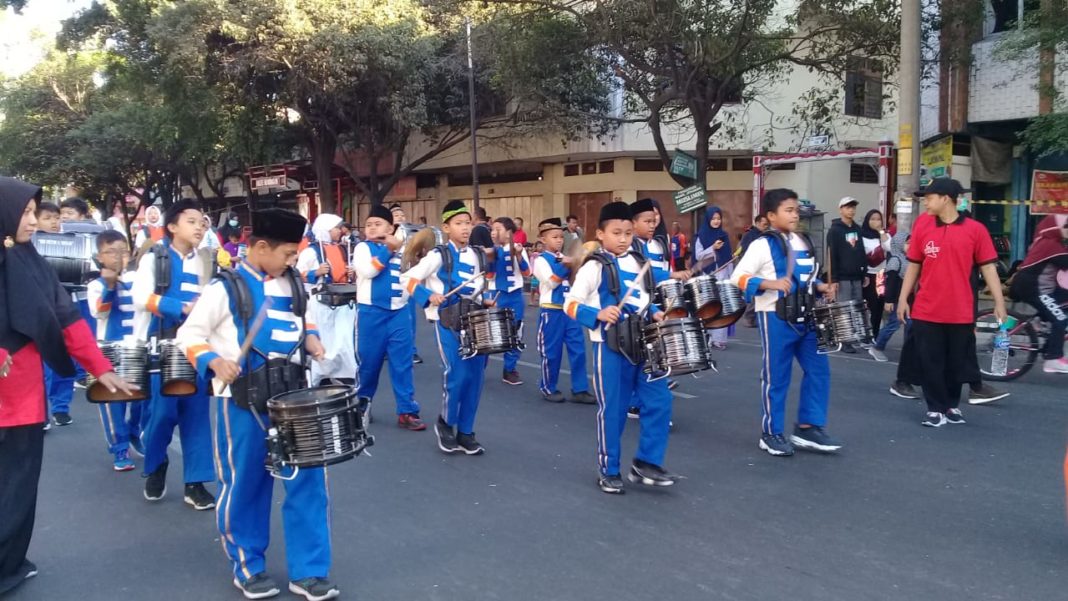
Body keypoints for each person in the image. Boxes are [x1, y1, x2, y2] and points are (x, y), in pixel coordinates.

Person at [176, 208, 339, 601]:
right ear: (261, 247)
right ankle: (247, 565)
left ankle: (310, 571)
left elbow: (306, 319)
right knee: (246, 483)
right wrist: (214, 360)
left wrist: (313, 339)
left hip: (295, 399)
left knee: (308, 483)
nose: (292, 260)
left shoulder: (295, 281)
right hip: (244, 401)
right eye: (286, 253)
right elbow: (190, 334)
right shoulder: (225, 288)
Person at [0, 176, 137, 596]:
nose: (33, 220)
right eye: (24, 212)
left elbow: (66, 318)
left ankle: (7, 564)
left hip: (21, 396)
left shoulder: (30, 260)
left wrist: (100, 367)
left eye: (32, 211)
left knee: (17, 484)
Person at [565, 201, 677, 494]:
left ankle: (647, 462)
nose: (624, 238)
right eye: (616, 232)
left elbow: (643, 299)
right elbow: (571, 303)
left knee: (660, 401)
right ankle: (609, 468)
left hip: (644, 342)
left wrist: (655, 311)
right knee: (613, 410)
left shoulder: (640, 262)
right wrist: (597, 315)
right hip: (611, 346)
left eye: (628, 232)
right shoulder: (595, 266)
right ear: (601, 234)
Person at [730, 188, 842, 457]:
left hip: (808, 316)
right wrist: (769, 283)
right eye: (788, 210)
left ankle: (808, 426)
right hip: (775, 317)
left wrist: (820, 286)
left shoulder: (803, 241)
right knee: (776, 377)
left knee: (819, 370)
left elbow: (805, 279)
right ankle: (771, 433)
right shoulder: (761, 244)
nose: (795, 215)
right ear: (771, 215)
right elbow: (738, 278)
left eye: (796, 210)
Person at [897, 178, 1007, 427]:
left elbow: (988, 267)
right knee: (930, 361)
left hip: (960, 310)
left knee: (956, 361)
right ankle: (934, 408)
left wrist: (999, 302)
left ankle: (951, 406)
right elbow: (914, 264)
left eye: (929, 196)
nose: (925, 201)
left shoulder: (975, 230)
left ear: (945, 198)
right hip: (927, 308)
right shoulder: (923, 225)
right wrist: (903, 298)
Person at [131, 199, 216, 509]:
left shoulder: (206, 261)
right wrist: (180, 308)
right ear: (172, 226)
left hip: (195, 350)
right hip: (160, 349)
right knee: (162, 414)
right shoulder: (155, 257)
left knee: (196, 417)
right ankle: (156, 465)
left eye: (202, 222)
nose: (199, 227)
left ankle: (195, 483)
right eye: (192, 221)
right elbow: (141, 297)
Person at [402, 200, 492, 455]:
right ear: (447, 227)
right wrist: (428, 296)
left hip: (475, 320)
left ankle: (466, 431)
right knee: (458, 374)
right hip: (448, 320)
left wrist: (485, 298)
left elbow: (479, 285)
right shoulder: (437, 255)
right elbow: (407, 278)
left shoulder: (477, 254)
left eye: (468, 223)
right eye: (459, 224)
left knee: (476, 378)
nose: (465, 228)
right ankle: (446, 422)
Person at [353, 205, 426, 431]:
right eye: (369, 224)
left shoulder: (405, 250)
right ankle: (362, 405)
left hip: (399, 313)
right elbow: (367, 272)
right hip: (370, 314)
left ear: (391, 227)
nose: (372, 228)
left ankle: (407, 410)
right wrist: (388, 250)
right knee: (369, 364)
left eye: (378, 224)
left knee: (402, 363)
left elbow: (411, 278)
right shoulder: (363, 248)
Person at [87, 229, 145, 470]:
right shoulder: (95, 285)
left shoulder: (139, 280)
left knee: (142, 398)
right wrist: (110, 287)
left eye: (122, 251)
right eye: (110, 252)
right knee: (113, 402)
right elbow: (100, 312)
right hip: (109, 351)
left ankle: (134, 431)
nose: (117, 257)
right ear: (99, 257)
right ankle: (119, 447)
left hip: (137, 347)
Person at [533, 218, 594, 404]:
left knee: (578, 350)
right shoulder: (540, 260)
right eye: (554, 237)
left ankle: (580, 389)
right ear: (543, 240)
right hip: (551, 312)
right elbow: (551, 282)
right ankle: (548, 387)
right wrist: (566, 264)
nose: (559, 240)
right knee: (551, 352)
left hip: (569, 310)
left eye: (561, 237)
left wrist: (577, 263)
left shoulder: (565, 257)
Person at [296, 214, 358, 388]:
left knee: (344, 340)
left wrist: (351, 273)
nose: (340, 231)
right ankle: (320, 375)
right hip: (320, 302)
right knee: (324, 340)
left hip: (344, 302)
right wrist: (314, 273)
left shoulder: (342, 249)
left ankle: (345, 376)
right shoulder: (310, 251)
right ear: (326, 229)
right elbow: (296, 274)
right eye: (337, 228)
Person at [1010, 214, 1068, 373]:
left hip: (1037, 286)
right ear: (1054, 227)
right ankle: (1053, 359)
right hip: (1033, 287)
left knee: (1063, 302)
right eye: (1066, 226)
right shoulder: (1050, 245)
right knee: (1060, 318)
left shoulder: (1048, 242)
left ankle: (1039, 320)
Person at [488, 217, 531, 386]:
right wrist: (491, 259)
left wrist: (519, 256)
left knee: (515, 332)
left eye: (498, 228)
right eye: (492, 229)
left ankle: (509, 369)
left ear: (509, 232)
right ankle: (477, 369)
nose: (493, 232)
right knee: (491, 332)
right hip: (497, 294)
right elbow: (489, 276)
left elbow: (527, 273)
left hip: (515, 296)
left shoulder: (518, 249)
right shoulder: (492, 251)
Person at [826, 196, 867, 353]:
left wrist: (863, 274)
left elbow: (861, 251)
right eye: (848, 207)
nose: (851, 210)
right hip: (842, 277)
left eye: (853, 207)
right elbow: (832, 256)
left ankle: (853, 337)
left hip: (856, 275)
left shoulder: (857, 229)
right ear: (841, 209)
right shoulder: (835, 230)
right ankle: (844, 340)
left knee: (856, 307)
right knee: (843, 308)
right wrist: (833, 279)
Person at [693, 206, 733, 349]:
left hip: (722, 275)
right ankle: (707, 336)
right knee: (709, 306)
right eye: (714, 218)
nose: (716, 221)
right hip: (707, 276)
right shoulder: (701, 236)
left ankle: (719, 339)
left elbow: (729, 258)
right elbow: (698, 256)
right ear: (708, 219)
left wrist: (731, 279)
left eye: (719, 218)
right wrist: (712, 248)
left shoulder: (724, 235)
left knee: (721, 306)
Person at [390, 203, 423, 365]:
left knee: (409, 318)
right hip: (389, 283)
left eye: (402, 215)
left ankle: (411, 351)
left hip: (406, 282)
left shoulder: (411, 236)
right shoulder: (387, 239)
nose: (401, 218)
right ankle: (387, 349)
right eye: (397, 215)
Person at [868, 230, 909, 362]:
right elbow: (890, 282)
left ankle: (910, 351)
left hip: (907, 299)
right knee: (893, 324)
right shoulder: (896, 260)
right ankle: (877, 347)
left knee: (910, 324)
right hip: (896, 298)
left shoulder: (908, 260)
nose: (911, 246)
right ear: (899, 244)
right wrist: (889, 300)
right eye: (908, 243)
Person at [860, 209, 892, 338]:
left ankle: (875, 333)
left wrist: (881, 231)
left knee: (878, 306)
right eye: (872, 219)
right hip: (868, 274)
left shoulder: (884, 234)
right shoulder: (861, 236)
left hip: (881, 275)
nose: (875, 222)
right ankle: (865, 333)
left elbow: (889, 247)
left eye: (878, 219)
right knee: (868, 305)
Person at [738, 215, 770, 327]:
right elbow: (745, 250)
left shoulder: (765, 236)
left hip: (763, 267)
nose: (765, 226)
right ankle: (749, 317)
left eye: (767, 224)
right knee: (754, 293)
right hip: (753, 268)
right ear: (757, 223)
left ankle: (755, 317)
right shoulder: (749, 235)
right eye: (763, 224)